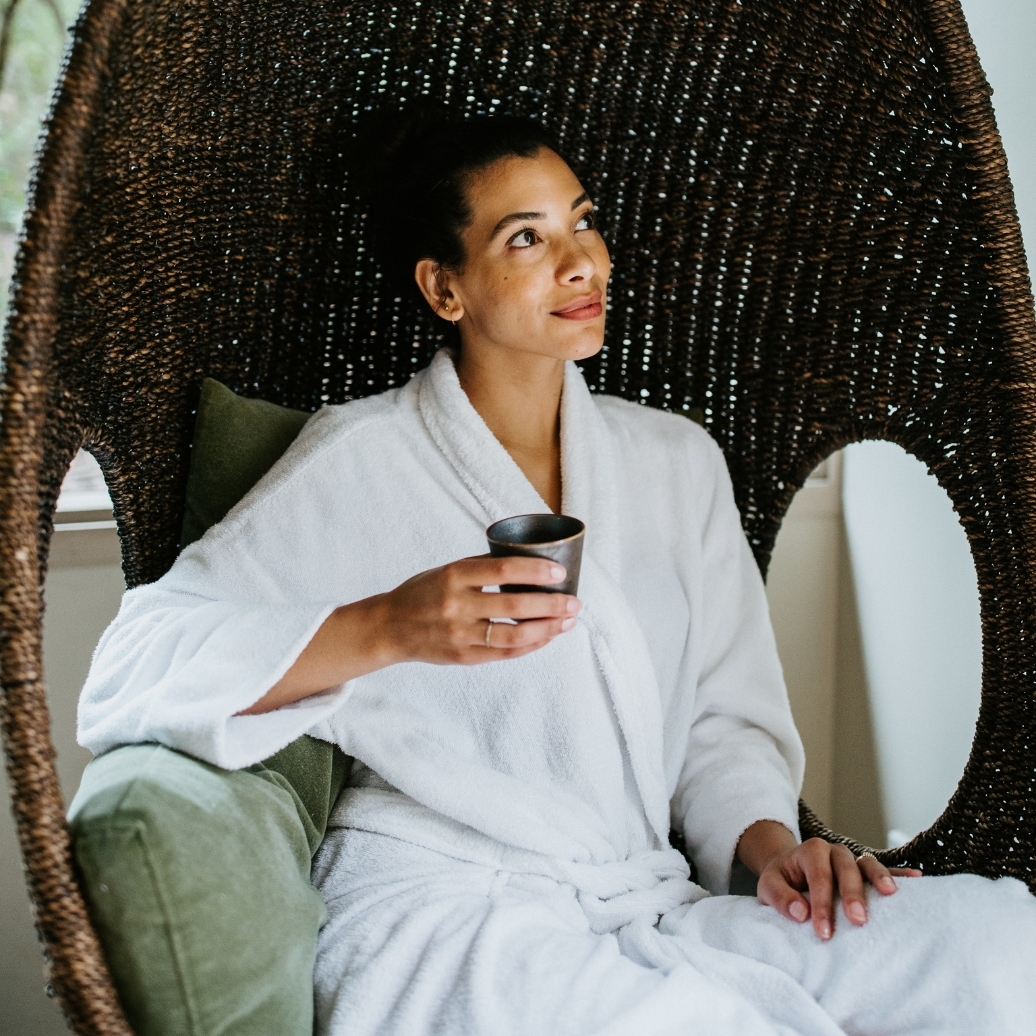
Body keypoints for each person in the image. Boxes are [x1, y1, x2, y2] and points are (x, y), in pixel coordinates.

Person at [78, 111, 1036, 1036]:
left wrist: (768, 849)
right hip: (455, 919)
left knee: (1002, 950)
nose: (583, 263)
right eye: (526, 239)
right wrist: (392, 625)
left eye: (582, 219)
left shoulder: (674, 461)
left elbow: (720, 720)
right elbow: (134, 662)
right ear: (445, 288)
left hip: (647, 899)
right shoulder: (360, 463)